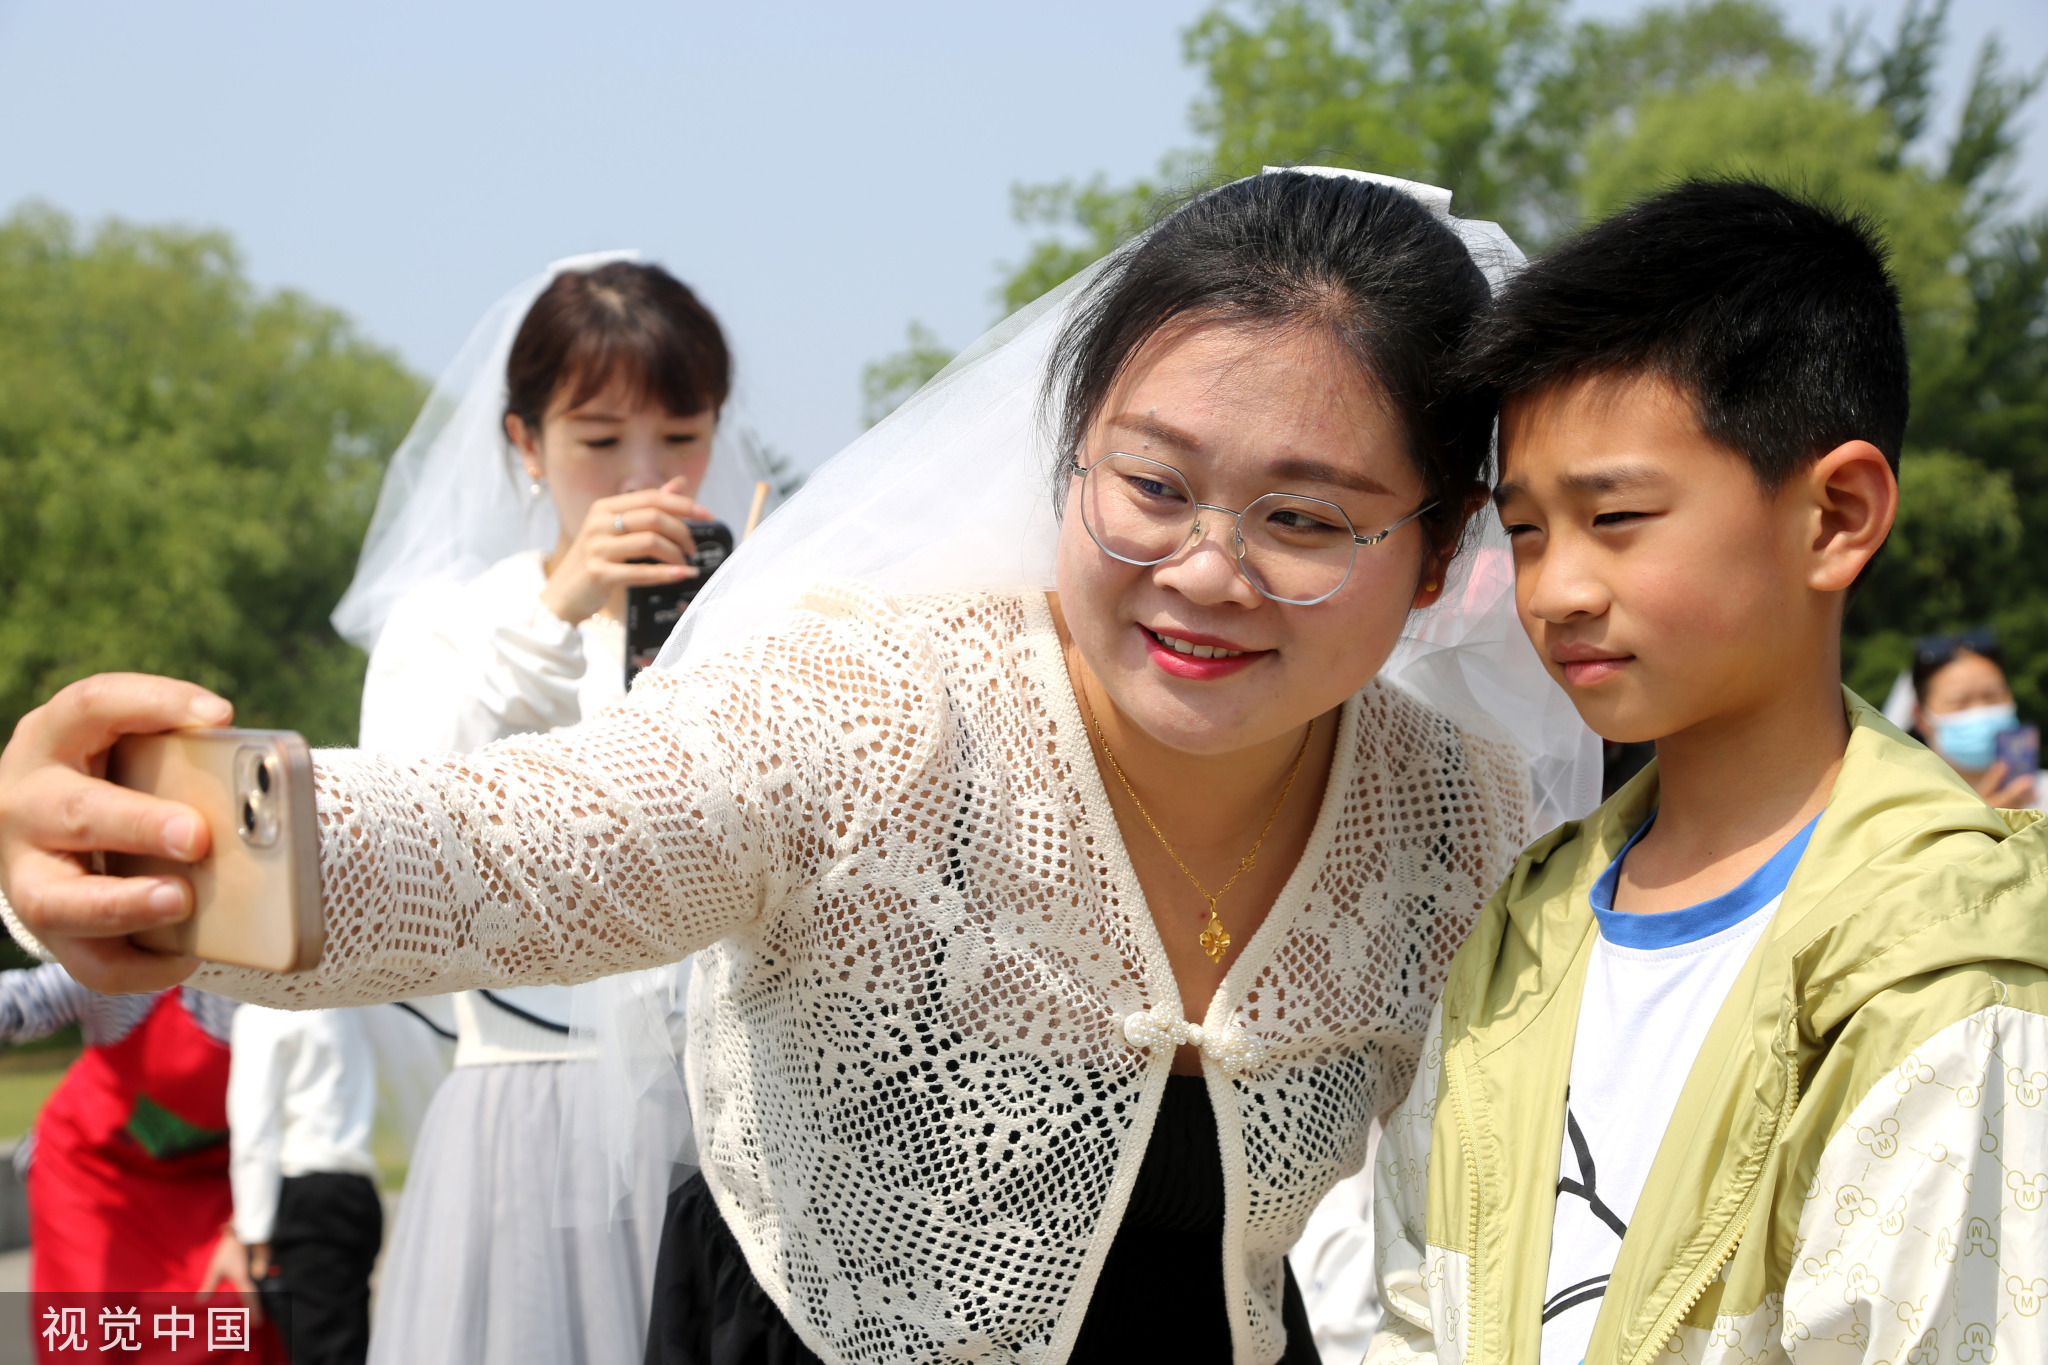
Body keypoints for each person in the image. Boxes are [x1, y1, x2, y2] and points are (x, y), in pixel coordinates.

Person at [0, 169, 1599, 1365]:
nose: (1204, 570)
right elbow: (539, 837)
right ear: (1070, 458)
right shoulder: (876, 706)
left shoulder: (1464, 816)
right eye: (1152, 484)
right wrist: (172, 853)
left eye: (1306, 521)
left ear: (1443, 546)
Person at [1369, 180, 2048, 1365]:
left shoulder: (1943, 964)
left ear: (1835, 515)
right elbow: (1418, 1313)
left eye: (1617, 514)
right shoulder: (1522, 924)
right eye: (1524, 530)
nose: (1556, 588)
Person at [332, 254, 735, 1365]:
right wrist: (558, 609)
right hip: (525, 1113)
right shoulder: (451, 633)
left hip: (723, 1130)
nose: (644, 477)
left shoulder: (752, 626)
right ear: (524, 444)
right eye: (599, 443)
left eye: (680, 434)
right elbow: (392, 837)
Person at [0, 963, 284, 1363]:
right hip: (89, 1178)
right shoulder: (133, 971)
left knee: (237, 1321)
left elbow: (292, 1125)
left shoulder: (291, 1000)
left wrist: (243, 1230)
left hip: (206, 1190)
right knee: (93, 1330)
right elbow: (25, 999)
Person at [227, 1005, 385, 1365]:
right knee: (347, 1342)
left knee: (320, 1350)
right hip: (356, 1191)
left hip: (306, 1196)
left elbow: (255, 1132)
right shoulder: (349, 1005)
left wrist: (254, 1234)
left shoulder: (263, 1011)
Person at [1905, 628, 2036, 807]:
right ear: (1921, 718)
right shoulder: (1907, 810)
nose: (1980, 711)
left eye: (1993, 696)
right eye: (1959, 702)